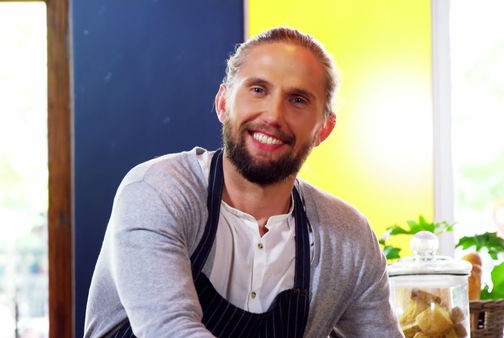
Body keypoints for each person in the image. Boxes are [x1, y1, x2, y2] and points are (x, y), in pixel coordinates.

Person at [84, 27, 402, 337]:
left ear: (324, 129)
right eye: (258, 90)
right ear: (224, 103)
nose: (274, 114)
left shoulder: (348, 239)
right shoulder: (157, 191)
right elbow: (169, 329)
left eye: (298, 100)